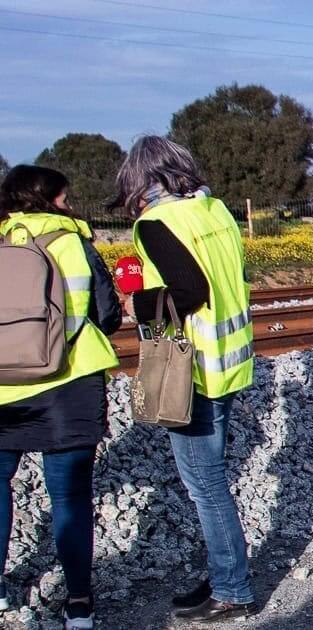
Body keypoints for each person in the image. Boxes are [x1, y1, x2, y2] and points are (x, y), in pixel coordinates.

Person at [112, 136, 256, 623]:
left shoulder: (156, 223)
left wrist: (137, 303)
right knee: (212, 480)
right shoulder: (214, 211)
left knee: (206, 486)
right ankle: (224, 572)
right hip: (230, 362)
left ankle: (232, 589)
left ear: (140, 180)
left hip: (190, 369)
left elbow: (188, 291)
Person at [0, 166, 121, 630]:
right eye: (65, 199)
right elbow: (107, 315)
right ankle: (78, 604)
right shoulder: (74, 242)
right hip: (68, 383)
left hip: (3, 386)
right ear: (49, 200)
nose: (69, 207)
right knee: (69, 496)